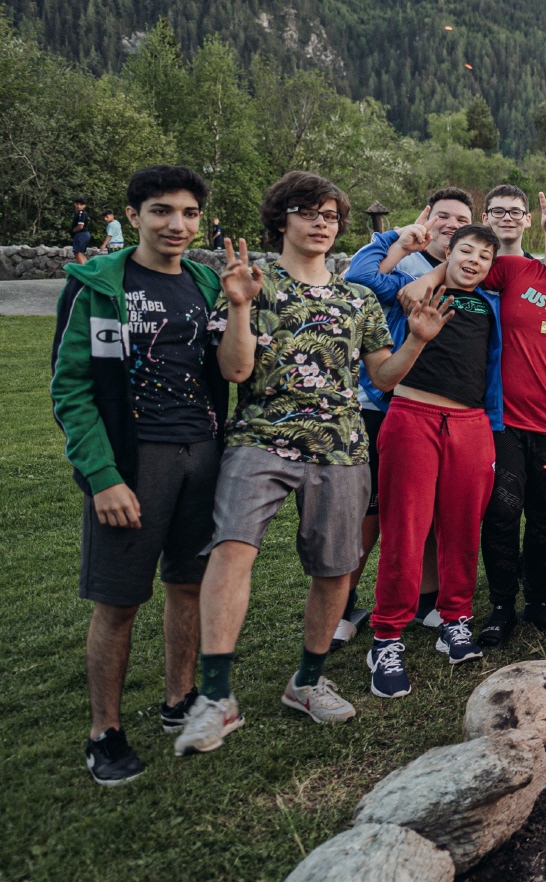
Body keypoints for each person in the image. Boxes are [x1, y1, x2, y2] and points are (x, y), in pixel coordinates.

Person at [175, 173, 395, 755]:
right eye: (307, 212)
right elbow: (235, 370)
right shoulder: (254, 282)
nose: (321, 223)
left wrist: (416, 340)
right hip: (262, 436)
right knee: (233, 548)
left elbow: (384, 376)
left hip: (342, 444)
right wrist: (242, 306)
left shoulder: (358, 297)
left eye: (329, 214)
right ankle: (217, 696)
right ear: (281, 219)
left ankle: (307, 680)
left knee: (335, 568)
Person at [53, 165, 226, 783]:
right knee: (119, 600)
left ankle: (179, 700)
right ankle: (105, 731)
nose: (175, 224)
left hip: (200, 453)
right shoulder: (96, 285)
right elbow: (69, 388)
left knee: (188, 583)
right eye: (160, 211)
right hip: (134, 459)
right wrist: (102, 477)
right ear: (134, 216)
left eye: (187, 213)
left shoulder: (207, 283)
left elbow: (226, 368)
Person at [399, 217, 546, 642]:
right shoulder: (518, 271)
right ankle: (501, 605)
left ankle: (538, 602)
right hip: (503, 423)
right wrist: (428, 275)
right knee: (501, 514)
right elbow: (468, 264)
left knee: (544, 519)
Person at [361, 224, 505, 697]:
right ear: (448, 250)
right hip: (412, 414)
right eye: (466, 250)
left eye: (484, 256)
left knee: (463, 527)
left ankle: (455, 618)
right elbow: (362, 276)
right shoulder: (415, 289)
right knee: (406, 526)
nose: (475, 261)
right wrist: (433, 269)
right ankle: (386, 637)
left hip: (471, 424)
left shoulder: (492, 303)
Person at [343, 187, 474, 646]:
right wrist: (400, 239)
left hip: (443, 409)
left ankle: (427, 599)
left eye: (461, 218)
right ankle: (343, 601)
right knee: (373, 511)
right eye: (443, 216)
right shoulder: (404, 267)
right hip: (383, 403)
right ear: (427, 218)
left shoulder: (472, 272)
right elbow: (356, 279)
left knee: (436, 510)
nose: (451, 224)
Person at [482, 185, 533, 257]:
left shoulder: (538, 267)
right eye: (498, 212)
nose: (507, 218)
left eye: (515, 212)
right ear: (485, 219)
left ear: (527, 220)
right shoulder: (474, 266)